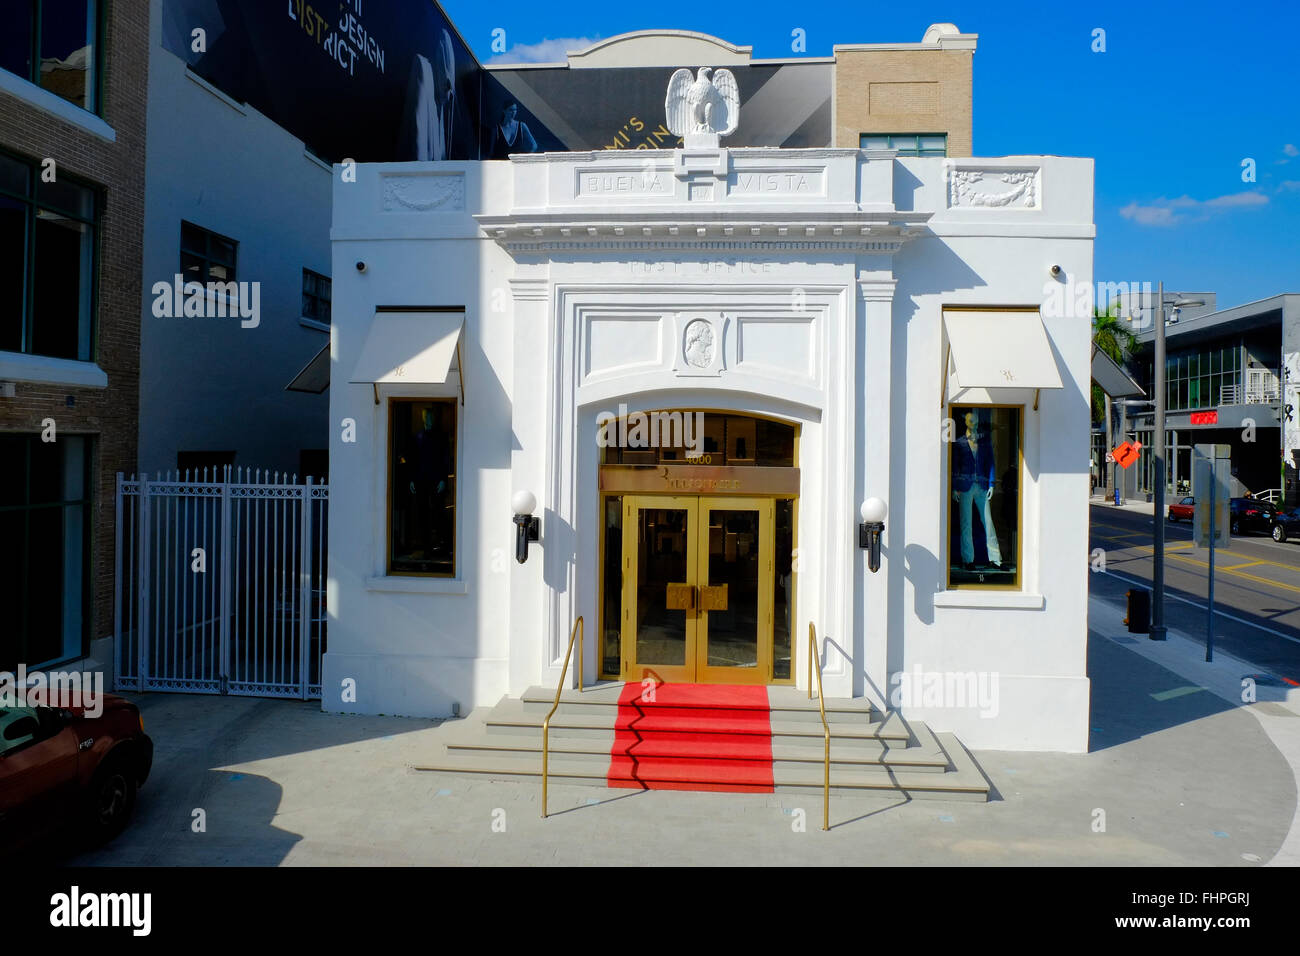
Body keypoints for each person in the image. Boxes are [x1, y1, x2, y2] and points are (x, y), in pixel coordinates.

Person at [952, 410, 1003, 570]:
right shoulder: (960, 442)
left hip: (981, 486)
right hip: (965, 487)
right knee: (966, 524)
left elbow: (991, 463)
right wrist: (954, 487)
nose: (973, 423)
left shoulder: (984, 442)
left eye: (975, 421)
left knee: (988, 522)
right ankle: (968, 560)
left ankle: (995, 559)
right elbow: (954, 466)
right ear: (965, 421)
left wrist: (991, 484)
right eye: (970, 420)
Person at [398, 29, 457, 161]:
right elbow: (418, 130)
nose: (448, 96)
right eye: (447, 86)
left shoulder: (440, 102)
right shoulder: (424, 68)